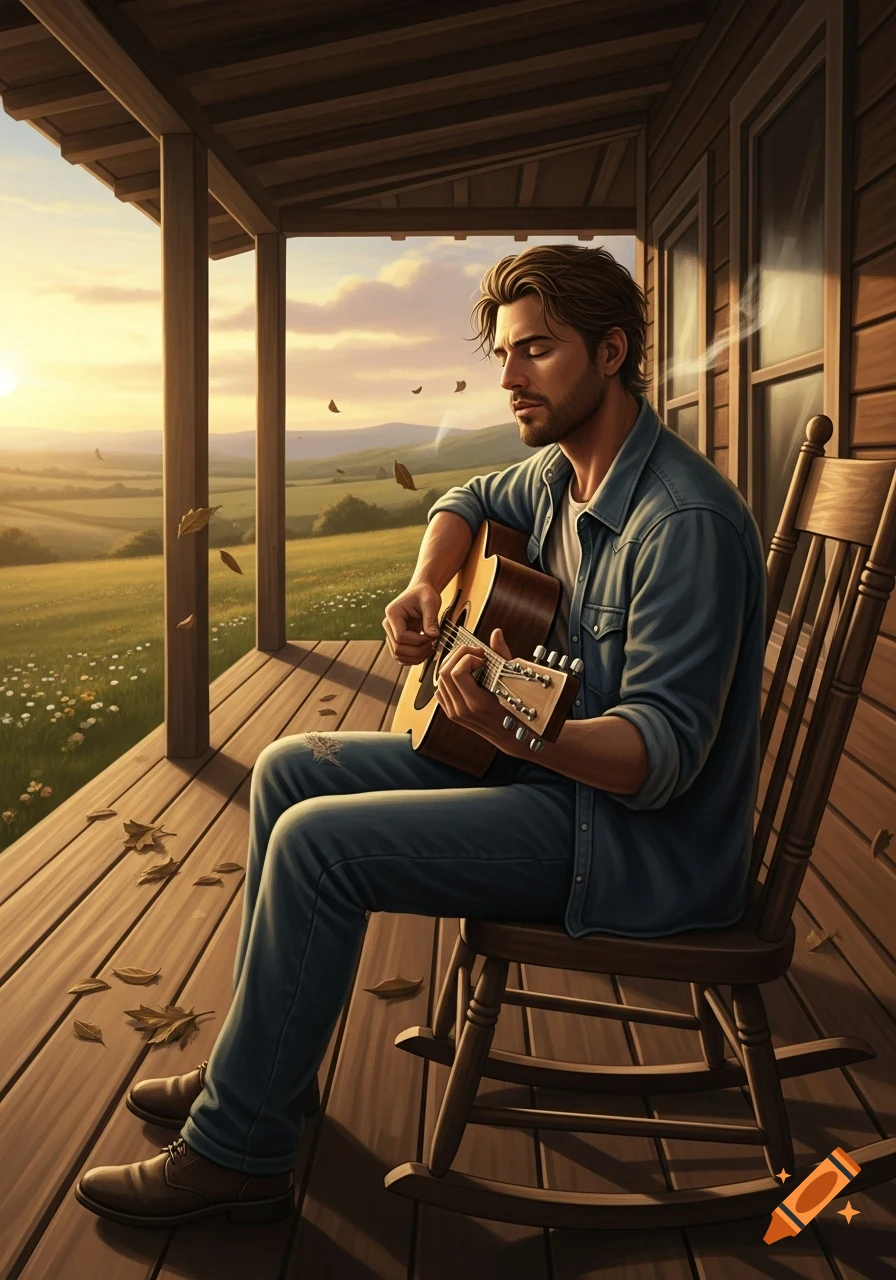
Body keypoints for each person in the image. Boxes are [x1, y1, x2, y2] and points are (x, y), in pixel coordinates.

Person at [75, 243, 766, 1228]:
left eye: (537, 350)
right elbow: (466, 499)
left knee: (322, 846)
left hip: (629, 847)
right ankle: (264, 1068)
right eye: (501, 354)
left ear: (610, 353)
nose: (509, 376)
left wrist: (515, 729)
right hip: (549, 785)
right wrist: (427, 583)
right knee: (287, 767)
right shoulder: (567, 477)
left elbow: (654, 762)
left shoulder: (679, 522)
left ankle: (240, 1151)